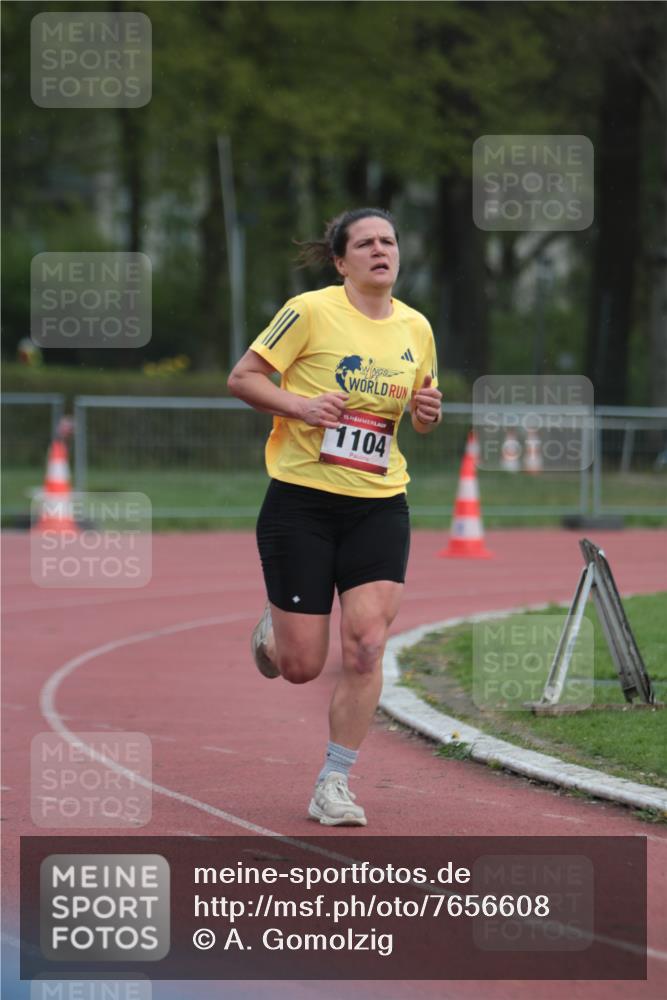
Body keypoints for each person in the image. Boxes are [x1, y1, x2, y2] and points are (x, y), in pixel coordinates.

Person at [227, 207, 442, 826]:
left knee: (368, 645)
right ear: (342, 260)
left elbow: (421, 417)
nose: (382, 250)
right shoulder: (310, 311)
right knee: (300, 667)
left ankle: (334, 782)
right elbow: (244, 378)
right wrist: (301, 405)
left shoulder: (417, 327)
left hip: (380, 504)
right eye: (367, 243)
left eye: (390, 241)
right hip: (303, 502)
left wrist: (429, 412)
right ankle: (275, 630)